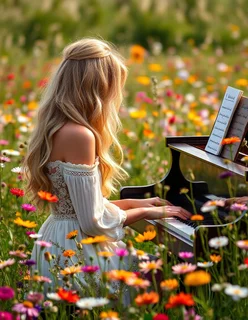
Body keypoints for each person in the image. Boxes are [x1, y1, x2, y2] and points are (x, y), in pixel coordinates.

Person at [23, 38, 191, 298]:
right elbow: (92, 222)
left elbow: (83, 209)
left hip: (58, 238)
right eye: (114, 89)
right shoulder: (80, 135)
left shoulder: (57, 128)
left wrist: (138, 204)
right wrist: (150, 212)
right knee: (163, 274)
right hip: (77, 253)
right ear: (97, 89)